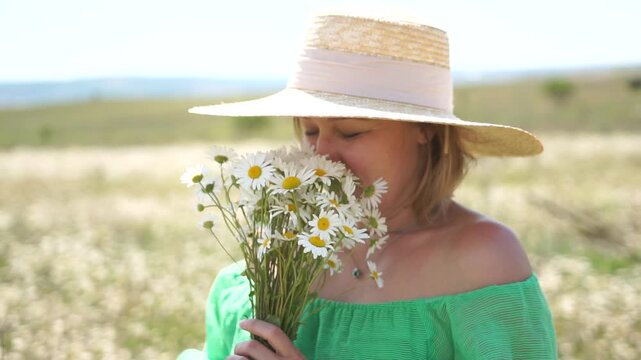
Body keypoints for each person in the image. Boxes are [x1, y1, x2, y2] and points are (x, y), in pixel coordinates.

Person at [178, 11, 557, 360]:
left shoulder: (482, 261)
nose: (322, 154)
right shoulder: (270, 264)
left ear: (425, 130)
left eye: (350, 132)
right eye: (310, 130)